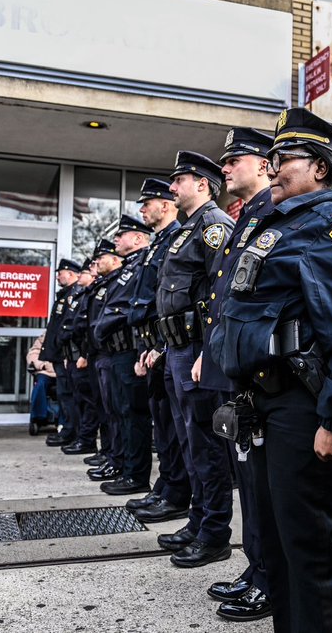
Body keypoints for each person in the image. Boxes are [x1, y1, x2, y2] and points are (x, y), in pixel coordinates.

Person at [210, 107, 332, 632]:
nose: (273, 166)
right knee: (280, 548)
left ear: (320, 169)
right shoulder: (277, 222)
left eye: (283, 158)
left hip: (305, 410)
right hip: (265, 403)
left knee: (310, 551)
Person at [194, 126, 277, 622]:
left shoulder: (271, 216)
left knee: (260, 480)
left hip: (262, 371)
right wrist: (211, 350)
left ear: (265, 164)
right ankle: (256, 566)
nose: (224, 169)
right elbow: (221, 300)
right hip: (232, 363)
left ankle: (268, 575)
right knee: (246, 475)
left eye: (234, 161)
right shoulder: (244, 220)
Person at [154, 151, 235, 568]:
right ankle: (197, 520)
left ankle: (214, 534)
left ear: (201, 184)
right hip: (176, 348)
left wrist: (208, 350)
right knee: (189, 441)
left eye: (178, 180)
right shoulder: (187, 230)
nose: (172, 188)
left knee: (205, 442)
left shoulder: (214, 226)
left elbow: (221, 296)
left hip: (196, 350)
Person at [124, 195, 192, 522]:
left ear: (165, 206)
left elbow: (171, 298)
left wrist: (161, 345)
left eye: (146, 203)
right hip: (155, 344)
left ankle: (177, 492)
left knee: (174, 427)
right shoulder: (158, 244)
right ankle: (166, 485)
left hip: (170, 344)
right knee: (162, 426)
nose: (141, 210)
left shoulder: (177, 237)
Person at [90, 224, 153, 494]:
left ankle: (135, 475)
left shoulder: (141, 264)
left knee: (132, 414)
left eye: (121, 235)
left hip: (129, 349)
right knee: (119, 413)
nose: (116, 239)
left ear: (138, 238)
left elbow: (131, 307)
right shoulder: (129, 268)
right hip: (115, 351)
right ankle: (125, 467)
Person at [71, 239, 122, 471]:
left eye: (99, 260)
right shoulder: (102, 285)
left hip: (113, 352)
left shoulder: (117, 281)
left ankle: (118, 459)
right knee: (106, 410)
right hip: (98, 352)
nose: (95, 264)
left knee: (119, 412)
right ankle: (110, 453)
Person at [58, 259, 100, 456]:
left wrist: (83, 355)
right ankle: (82, 438)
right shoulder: (81, 295)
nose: (81, 276)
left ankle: (86, 439)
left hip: (84, 355)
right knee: (79, 400)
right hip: (74, 355)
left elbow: (85, 329)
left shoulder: (87, 295)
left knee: (88, 402)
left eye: (84, 272)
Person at [39, 258, 82, 446]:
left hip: (66, 354)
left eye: (60, 273)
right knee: (64, 394)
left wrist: (66, 353)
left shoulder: (74, 295)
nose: (58, 276)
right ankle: (68, 430)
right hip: (60, 353)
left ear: (71, 274)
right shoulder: (65, 295)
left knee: (70, 395)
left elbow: (70, 327)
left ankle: (72, 431)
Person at [25, 332, 58, 435]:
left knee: (66, 390)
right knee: (40, 385)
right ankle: (38, 416)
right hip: (45, 371)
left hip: (63, 373)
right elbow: (33, 353)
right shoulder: (46, 336)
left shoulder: (68, 334)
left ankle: (63, 419)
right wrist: (41, 365)